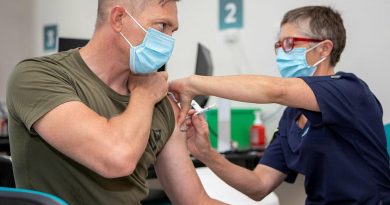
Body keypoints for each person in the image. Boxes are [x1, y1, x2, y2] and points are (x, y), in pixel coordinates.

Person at [6, 0, 225, 204]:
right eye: (161, 26)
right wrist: (144, 94)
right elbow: (116, 158)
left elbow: (195, 200)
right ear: (119, 19)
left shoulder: (162, 105)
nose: (169, 40)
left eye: (173, 31)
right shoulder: (37, 76)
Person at [169, 6, 390, 204]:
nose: (282, 53)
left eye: (289, 44)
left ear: (324, 49)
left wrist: (193, 83)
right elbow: (258, 185)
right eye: (279, 45)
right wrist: (206, 152)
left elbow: (276, 90)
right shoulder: (292, 117)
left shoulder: (349, 91)